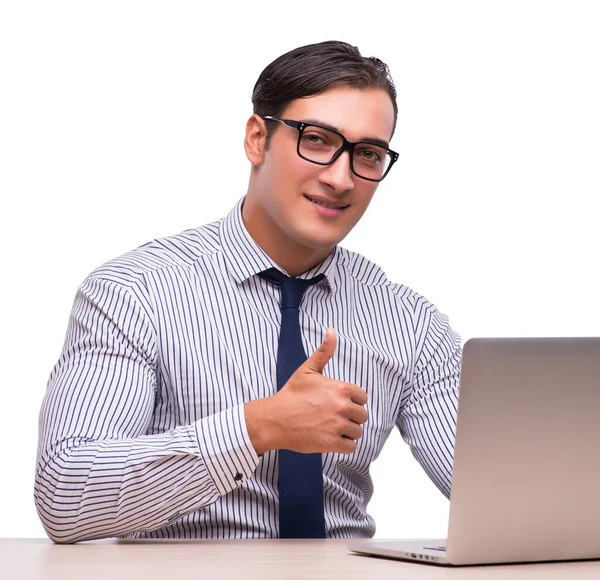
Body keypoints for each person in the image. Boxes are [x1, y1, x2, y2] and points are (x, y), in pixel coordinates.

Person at [34, 40, 461, 543]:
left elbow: (497, 489)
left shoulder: (409, 322)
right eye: (318, 140)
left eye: (366, 154)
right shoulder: (134, 293)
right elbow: (65, 497)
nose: (342, 178)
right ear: (257, 139)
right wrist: (257, 427)